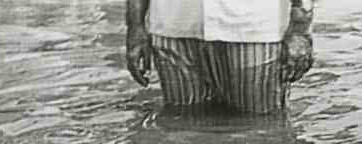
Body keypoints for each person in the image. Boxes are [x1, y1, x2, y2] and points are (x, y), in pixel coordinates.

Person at [124, 0, 315, 114]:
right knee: (181, 127)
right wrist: (135, 26)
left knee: (261, 131)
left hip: (254, 29)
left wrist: (300, 29)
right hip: (173, 25)